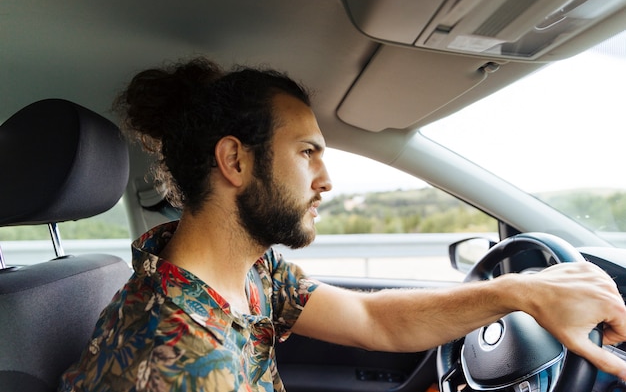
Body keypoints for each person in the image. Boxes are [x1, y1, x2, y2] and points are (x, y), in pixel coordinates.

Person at [59, 57, 626, 391]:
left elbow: (371, 319)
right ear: (235, 161)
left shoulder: (251, 271)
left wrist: (519, 292)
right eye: (307, 152)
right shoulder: (178, 357)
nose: (326, 181)